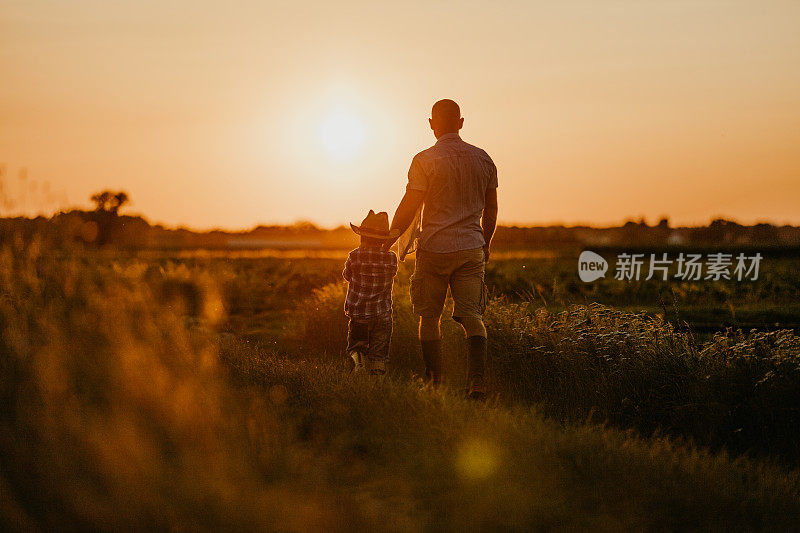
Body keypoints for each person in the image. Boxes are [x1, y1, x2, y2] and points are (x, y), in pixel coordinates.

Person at [386, 99, 498, 399]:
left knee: (429, 317)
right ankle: (476, 383)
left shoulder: (424, 160)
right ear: (461, 123)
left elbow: (409, 206)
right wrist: (485, 243)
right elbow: (491, 210)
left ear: (432, 124)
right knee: (473, 316)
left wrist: (390, 238)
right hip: (472, 247)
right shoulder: (484, 159)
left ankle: (434, 383)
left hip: (434, 249)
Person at [342, 210, 400, 375]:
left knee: (357, 347)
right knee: (379, 355)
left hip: (359, 314)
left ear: (362, 237)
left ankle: (358, 366)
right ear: (384, 240)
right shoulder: (391, 258)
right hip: (382, 315)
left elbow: (347, 276)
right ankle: (377, 382)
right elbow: (392, 273)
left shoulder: (355, 256)